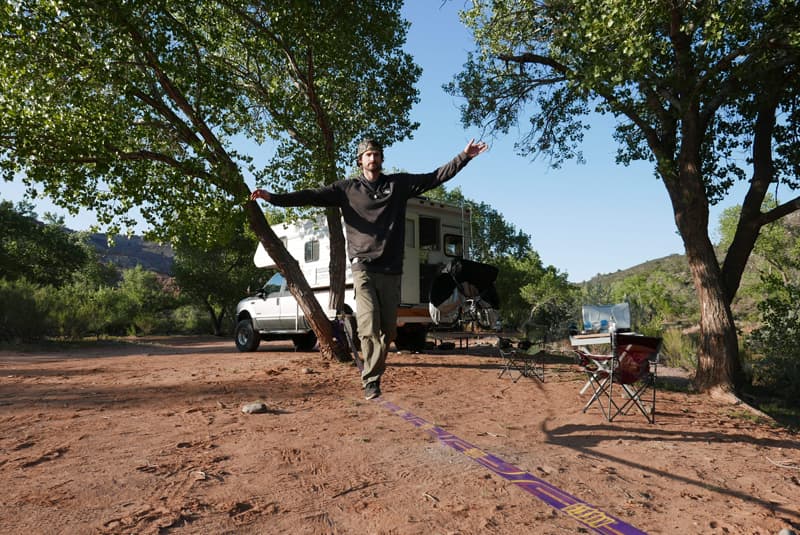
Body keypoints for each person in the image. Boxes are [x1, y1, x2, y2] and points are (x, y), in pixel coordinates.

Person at [250, 138, 488, 400]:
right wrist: (273, 198)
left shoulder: (398, 185)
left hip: (392, 269)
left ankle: (372, 362)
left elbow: (435, 177)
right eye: (367, 155)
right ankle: (371, 380)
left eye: (376, 154)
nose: (372, 158)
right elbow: (311, 196)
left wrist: (464, 156)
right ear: (359, 161)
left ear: (381, 159)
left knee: (388, 330)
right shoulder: (347, 189)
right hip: (362, 266)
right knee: (369, 323)